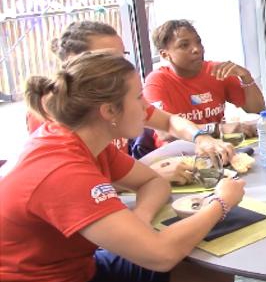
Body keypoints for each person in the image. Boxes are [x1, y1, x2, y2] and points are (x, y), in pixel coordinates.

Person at [0, 51, 246, 282]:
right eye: (139, 96)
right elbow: (161, 255)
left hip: (76, 269)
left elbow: (153, 181)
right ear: (108, 111)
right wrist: (221, 203)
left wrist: (140, 217)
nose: (146, 105)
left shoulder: (86, 140)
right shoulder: (62, 170)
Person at [25, 20, 235, 185]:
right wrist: (153, 175)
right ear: (75, 62)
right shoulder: (57, 110)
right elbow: (73, 184)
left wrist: (201, 137)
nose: (121, 66)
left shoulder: (115, 95)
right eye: (108, 58)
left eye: (122, 56)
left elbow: (169, 122)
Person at [144, 20, 265, 133]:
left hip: (218, 148)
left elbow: (257, 110)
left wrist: (246, 76)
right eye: (184, 45)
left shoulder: (217, 71)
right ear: (165, 55)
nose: (197, 49)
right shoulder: (157, 81)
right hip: (177, 152)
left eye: (198, 42)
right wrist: (219, 129)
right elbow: (165, 133)